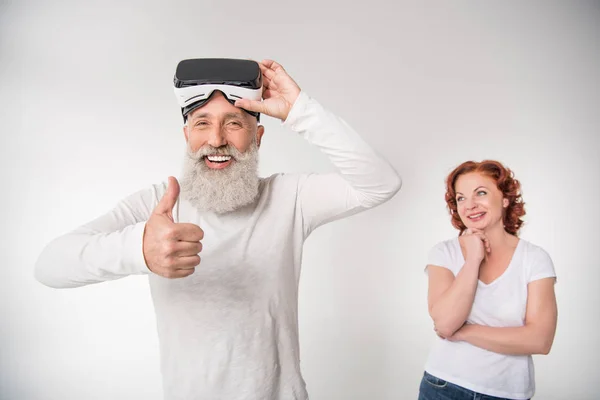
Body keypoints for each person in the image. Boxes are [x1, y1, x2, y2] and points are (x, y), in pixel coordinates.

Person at [34, 58, 402, 400]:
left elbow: (380, 183)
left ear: (257, 137)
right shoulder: (158, 204)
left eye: (233, 122)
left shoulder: (290, 197)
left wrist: (300, 111)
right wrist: (138, 249)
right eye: (203, 123)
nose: (216, 139)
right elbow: (49, 266)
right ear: (186, 136)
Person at [418, 160, 558, 400]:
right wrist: (473, 260)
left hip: (507, 393)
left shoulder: (534, 259)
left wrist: (464, 333)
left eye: (480, 193)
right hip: (442, 386)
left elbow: (540, 340)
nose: (470, 205)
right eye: (461, 198)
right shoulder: (443, 253)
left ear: (505, 199)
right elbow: (446, 322)